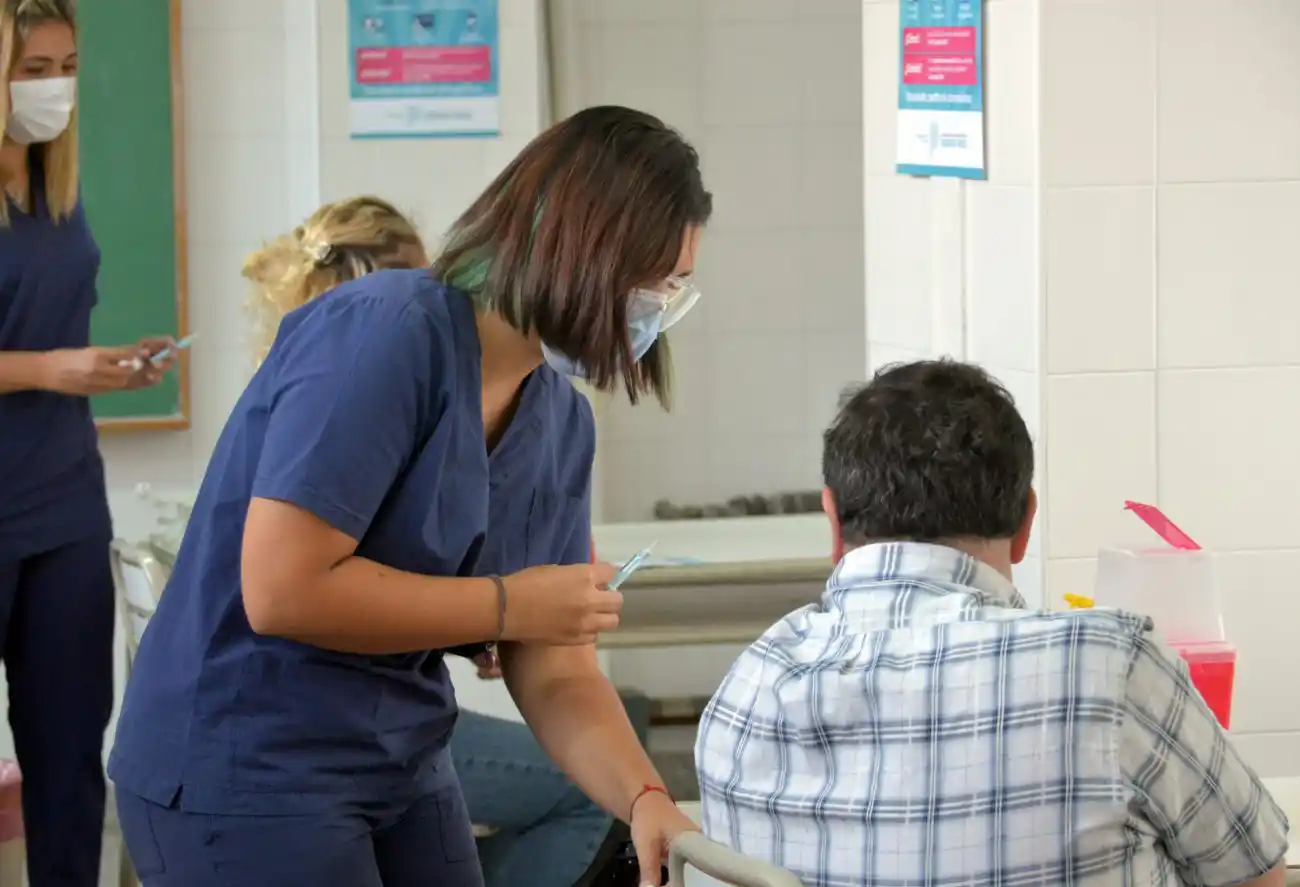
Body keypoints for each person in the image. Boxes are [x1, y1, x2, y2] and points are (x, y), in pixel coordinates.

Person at [109, 105, 710, 887]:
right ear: (573, 248)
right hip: (246, 757)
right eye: (651, 280)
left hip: (398, 756)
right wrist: (505, 606)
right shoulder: (384, 332)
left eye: (676, 285)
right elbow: (284, 588)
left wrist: (646, 797)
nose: (656, 309)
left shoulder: (560, 422)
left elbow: (556, 668)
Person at [696, 360, 1290, 887]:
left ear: (832, 519)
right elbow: (1253, 872)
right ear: (1026, 521)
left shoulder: (748, 690)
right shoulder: (1109, 667)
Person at [241, 195, 618, 887]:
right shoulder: (362, 369)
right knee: (574, 796)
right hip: (297, 736)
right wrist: (502, 607)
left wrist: (496, 616)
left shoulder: (540, 414)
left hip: (394, 731)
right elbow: (296, 591)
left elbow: (416, 573)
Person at [0, 3, 173, 885]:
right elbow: (41, 356)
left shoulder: (56, 192)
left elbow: (55, 331)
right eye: (32, 69)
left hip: (65, 501)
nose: (55, 86)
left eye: (65, 65)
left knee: (70, 759)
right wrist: (48, 368)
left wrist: (111, 367)